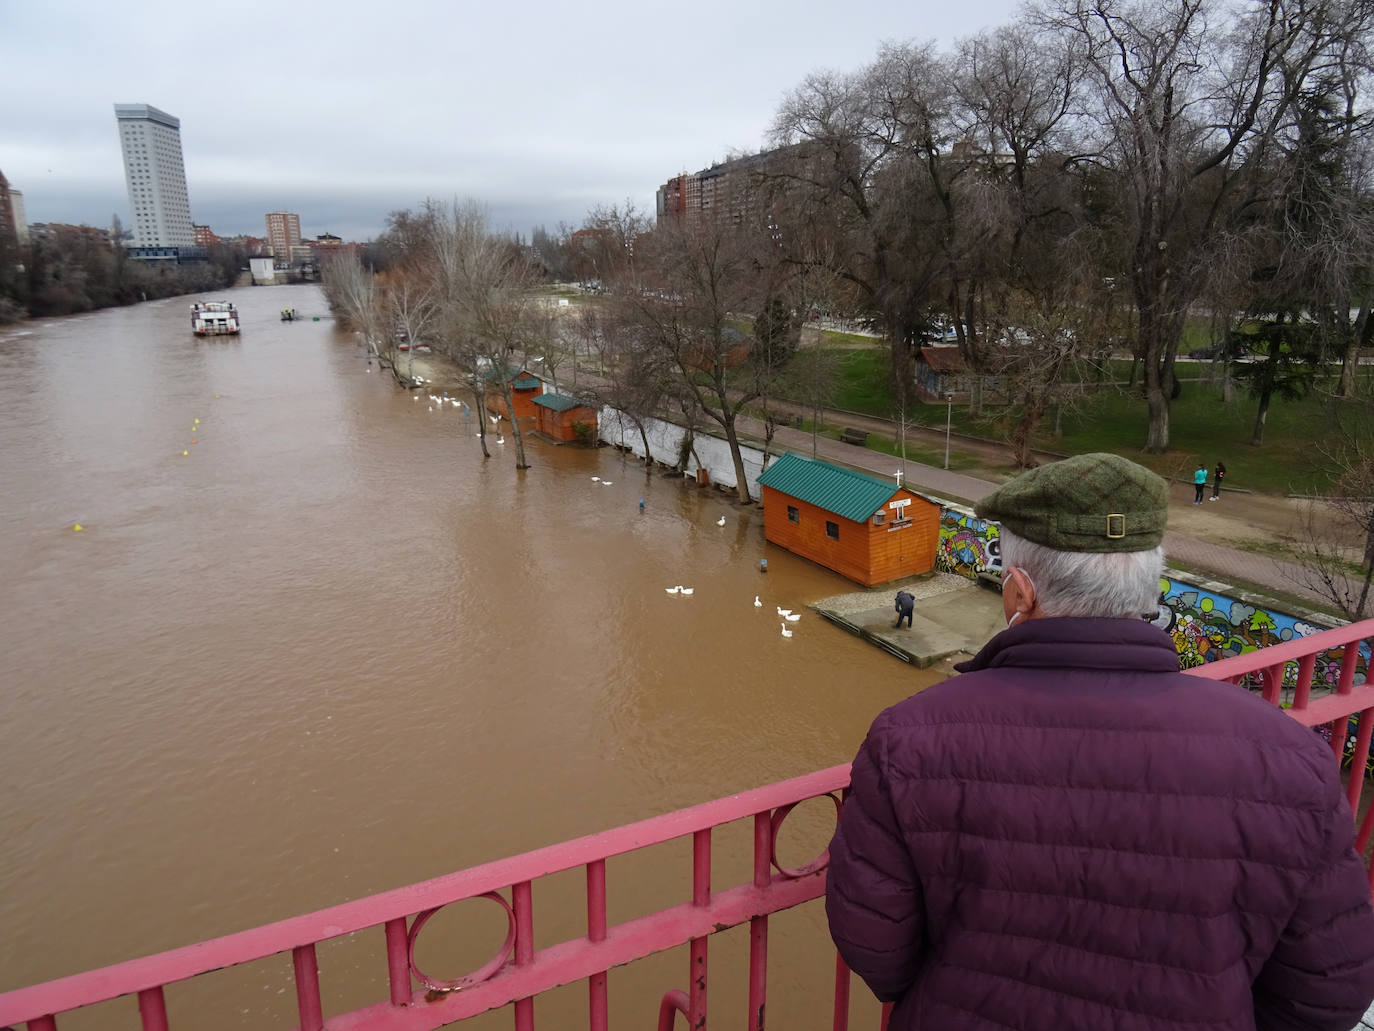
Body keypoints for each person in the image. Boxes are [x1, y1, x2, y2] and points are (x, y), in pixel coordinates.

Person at [825, 452, 1374, 1031]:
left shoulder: (909, 741)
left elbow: (876, 945)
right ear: (1150, 586)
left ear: (1018, 592)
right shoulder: (1293, 760)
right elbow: (1330, 989)